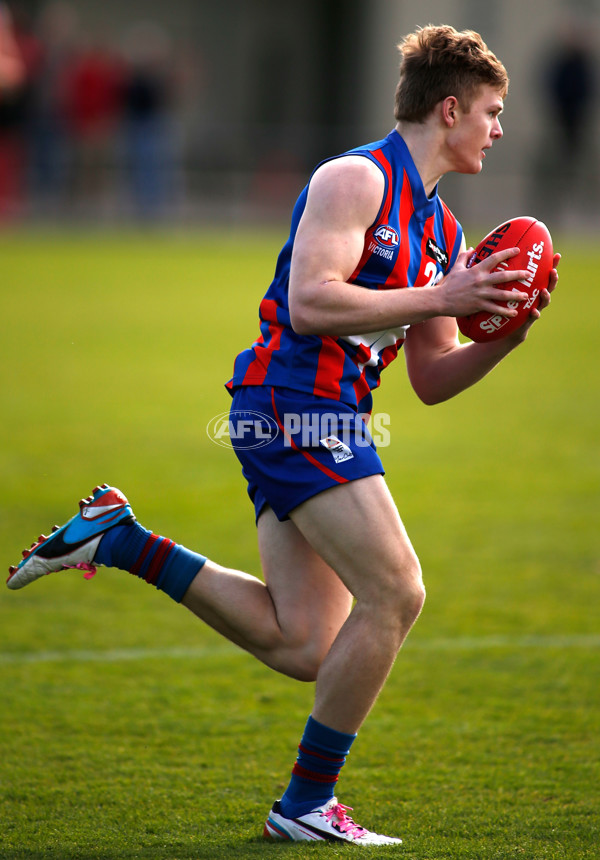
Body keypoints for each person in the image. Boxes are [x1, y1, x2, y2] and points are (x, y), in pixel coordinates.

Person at [7, 25, 559, 846]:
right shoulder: (355, 177)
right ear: (450, 109)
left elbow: (432, 380)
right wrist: (442, 298)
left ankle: (123, 541)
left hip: (322, 416)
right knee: (399, 591)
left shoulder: (443, 231)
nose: (499, 127)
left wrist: (501, 334)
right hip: (293, 405)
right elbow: (311, 301)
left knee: (305, 642)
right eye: (492, 111)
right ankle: (305, 804)